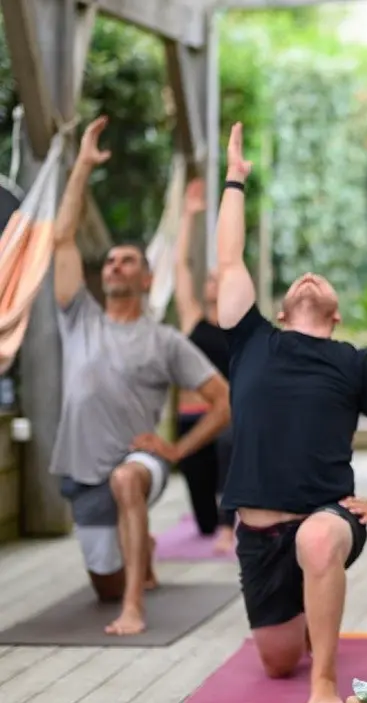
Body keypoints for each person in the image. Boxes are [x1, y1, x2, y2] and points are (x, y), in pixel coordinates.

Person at [215, 123, 367, 703]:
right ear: (280, 310)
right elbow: (229, 258)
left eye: (321, 281)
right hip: (257, 532)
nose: (310, 277)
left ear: (333, 313)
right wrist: (235, 179)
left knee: (317, 540)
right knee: (277, 658)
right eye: (301, 281)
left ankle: (324, 680)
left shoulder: (354, 362)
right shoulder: (252, 340)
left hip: (328, 518)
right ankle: (307, 620)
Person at [49, 116, 232, 636]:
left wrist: (175, 449)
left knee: (127, 479)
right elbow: (61, 239)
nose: (115, 266)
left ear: (147, 277)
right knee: (100, 581)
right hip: (83, 469)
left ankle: (133, 606)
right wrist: (82, 166)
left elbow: (223, 401)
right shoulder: (77, 317)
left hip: (139, 460)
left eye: (128, 261)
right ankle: (138, 559)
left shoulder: (166, 340)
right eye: (110, 262)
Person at [170, 177, 236, 554]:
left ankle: (231, 526)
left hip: (227, 420)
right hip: (192, 419)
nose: (211, 282)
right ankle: (218, 521)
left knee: (230, 449)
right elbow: (182, 266)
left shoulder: (240, 329)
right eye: (209, 279)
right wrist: (189, 216)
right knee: (202, 520)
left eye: (218, 278)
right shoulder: (194, 320)